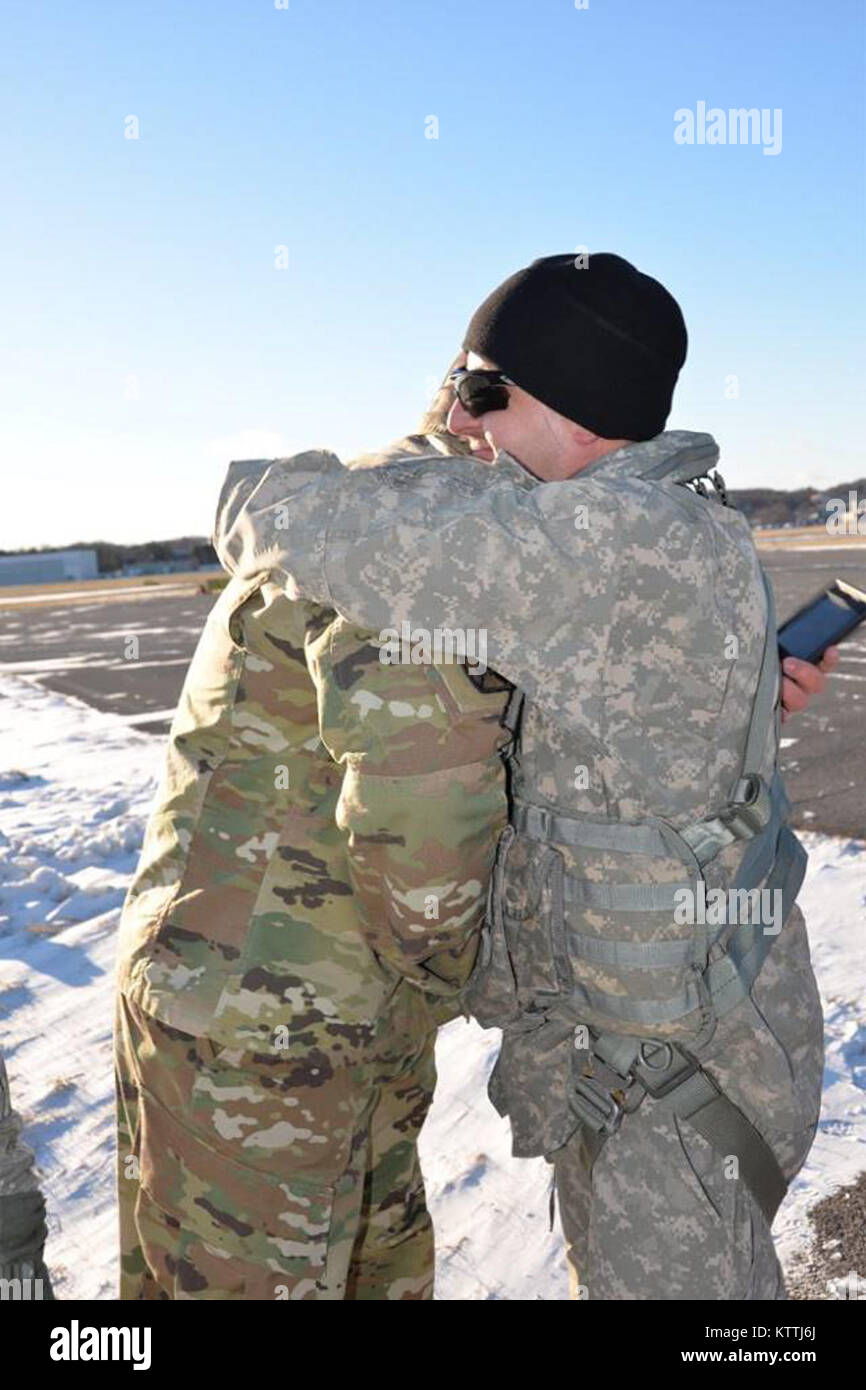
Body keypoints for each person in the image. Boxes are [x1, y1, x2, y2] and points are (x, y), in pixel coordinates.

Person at [213, 251, 836, 1299]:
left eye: (482, 390)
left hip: (673, 1072)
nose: (461, 423)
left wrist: (259, 483)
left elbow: (278, 519)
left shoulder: (598, 538)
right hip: (671, 1039)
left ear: (583, 412)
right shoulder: (669, 519)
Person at [113, 399, 512, 1300]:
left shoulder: (361, 511)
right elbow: (423, 846)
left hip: (257, 1004)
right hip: (274, 1027)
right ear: (480, 410)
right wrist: (462, 979)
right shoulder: (415, 531)